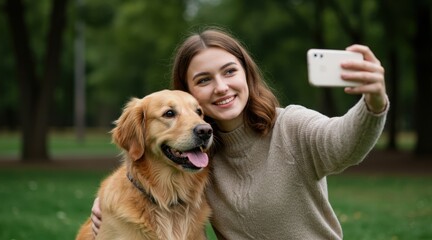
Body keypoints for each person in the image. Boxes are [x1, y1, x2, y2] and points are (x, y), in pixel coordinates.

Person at [91, 27, 388, 239]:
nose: (221, 87)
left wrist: (373, 102)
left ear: (247, 74)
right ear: (189, 92)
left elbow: (344, 144)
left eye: (230, 71)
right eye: (204, 79)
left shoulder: (291, 126)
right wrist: (111, 202)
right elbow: (148, 164)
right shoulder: (199, 158)